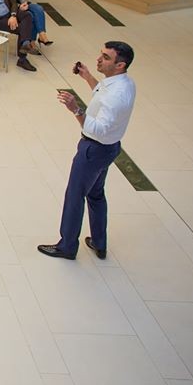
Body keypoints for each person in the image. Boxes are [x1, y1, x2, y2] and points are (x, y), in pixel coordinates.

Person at [38, 43, 136, 261]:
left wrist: (75, 109)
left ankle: (67, 246)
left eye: (106, 58)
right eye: (101, 54)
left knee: (75, 195)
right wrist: (88, 77)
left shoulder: (116, 96)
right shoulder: (124, 83)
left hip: (94, 149)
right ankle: (99, 242)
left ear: (120, 65)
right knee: (96, 194)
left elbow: (98, 129)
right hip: (110, 148)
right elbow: (102, 96)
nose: (99, 59)